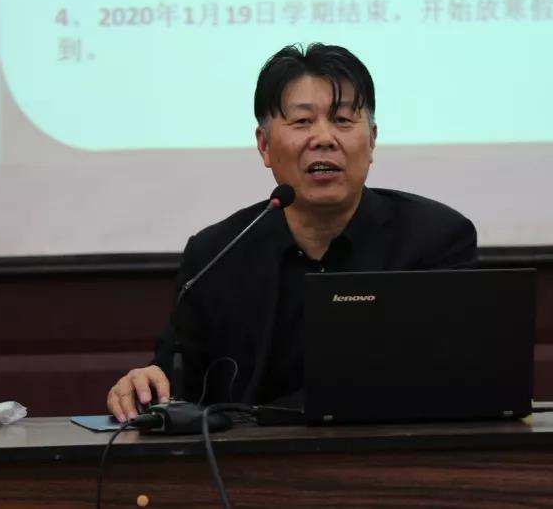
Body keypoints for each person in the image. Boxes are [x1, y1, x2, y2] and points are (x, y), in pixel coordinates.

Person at [107, 43, 477, 422]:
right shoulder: (216, 255)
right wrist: (145, 385)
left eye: (343, 120)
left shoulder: (434, 242)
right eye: (302, 122)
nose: (324, 138)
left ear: (372, 140)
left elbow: (458, 379)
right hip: (248, 457)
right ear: (264, 146)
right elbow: (175, 384)